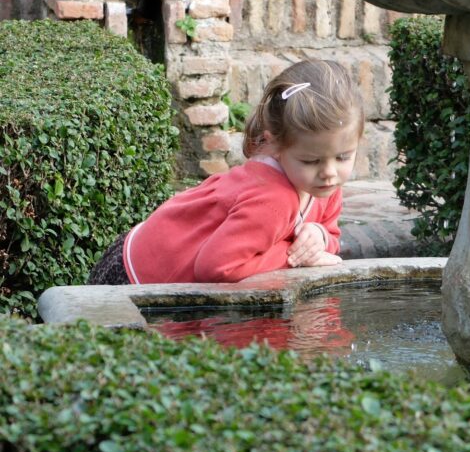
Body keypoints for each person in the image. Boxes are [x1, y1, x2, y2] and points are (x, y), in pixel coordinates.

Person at [87, 59, 364, 284]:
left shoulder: (324, 186)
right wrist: (295, 256)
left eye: (343, 157)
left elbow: (331, 236)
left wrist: (319, 236)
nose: (329, 173)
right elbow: (217, 268)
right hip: (134, 280)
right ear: (274, 144)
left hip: (147, 264)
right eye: (310, 161)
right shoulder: (272, 201)